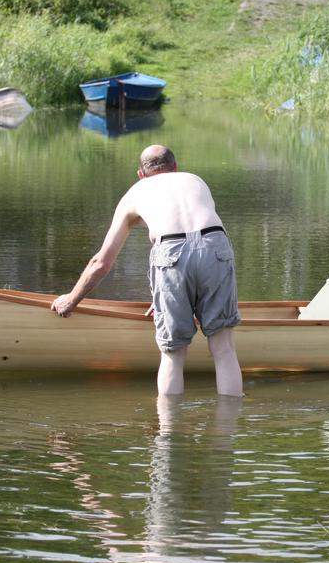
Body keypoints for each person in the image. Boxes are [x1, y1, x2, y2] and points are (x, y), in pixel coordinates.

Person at [51, 145, 243, 397]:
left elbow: (101, 263)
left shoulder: (135, 193)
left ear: (140, 174)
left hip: (170, 249)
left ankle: (169, 433)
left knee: (173, 354)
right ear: (175, 167)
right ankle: (225, 433)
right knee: (224, 349)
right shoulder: (195, 180)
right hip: (215, 243)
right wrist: (161, 294)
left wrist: (71, 299)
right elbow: (193, 239)